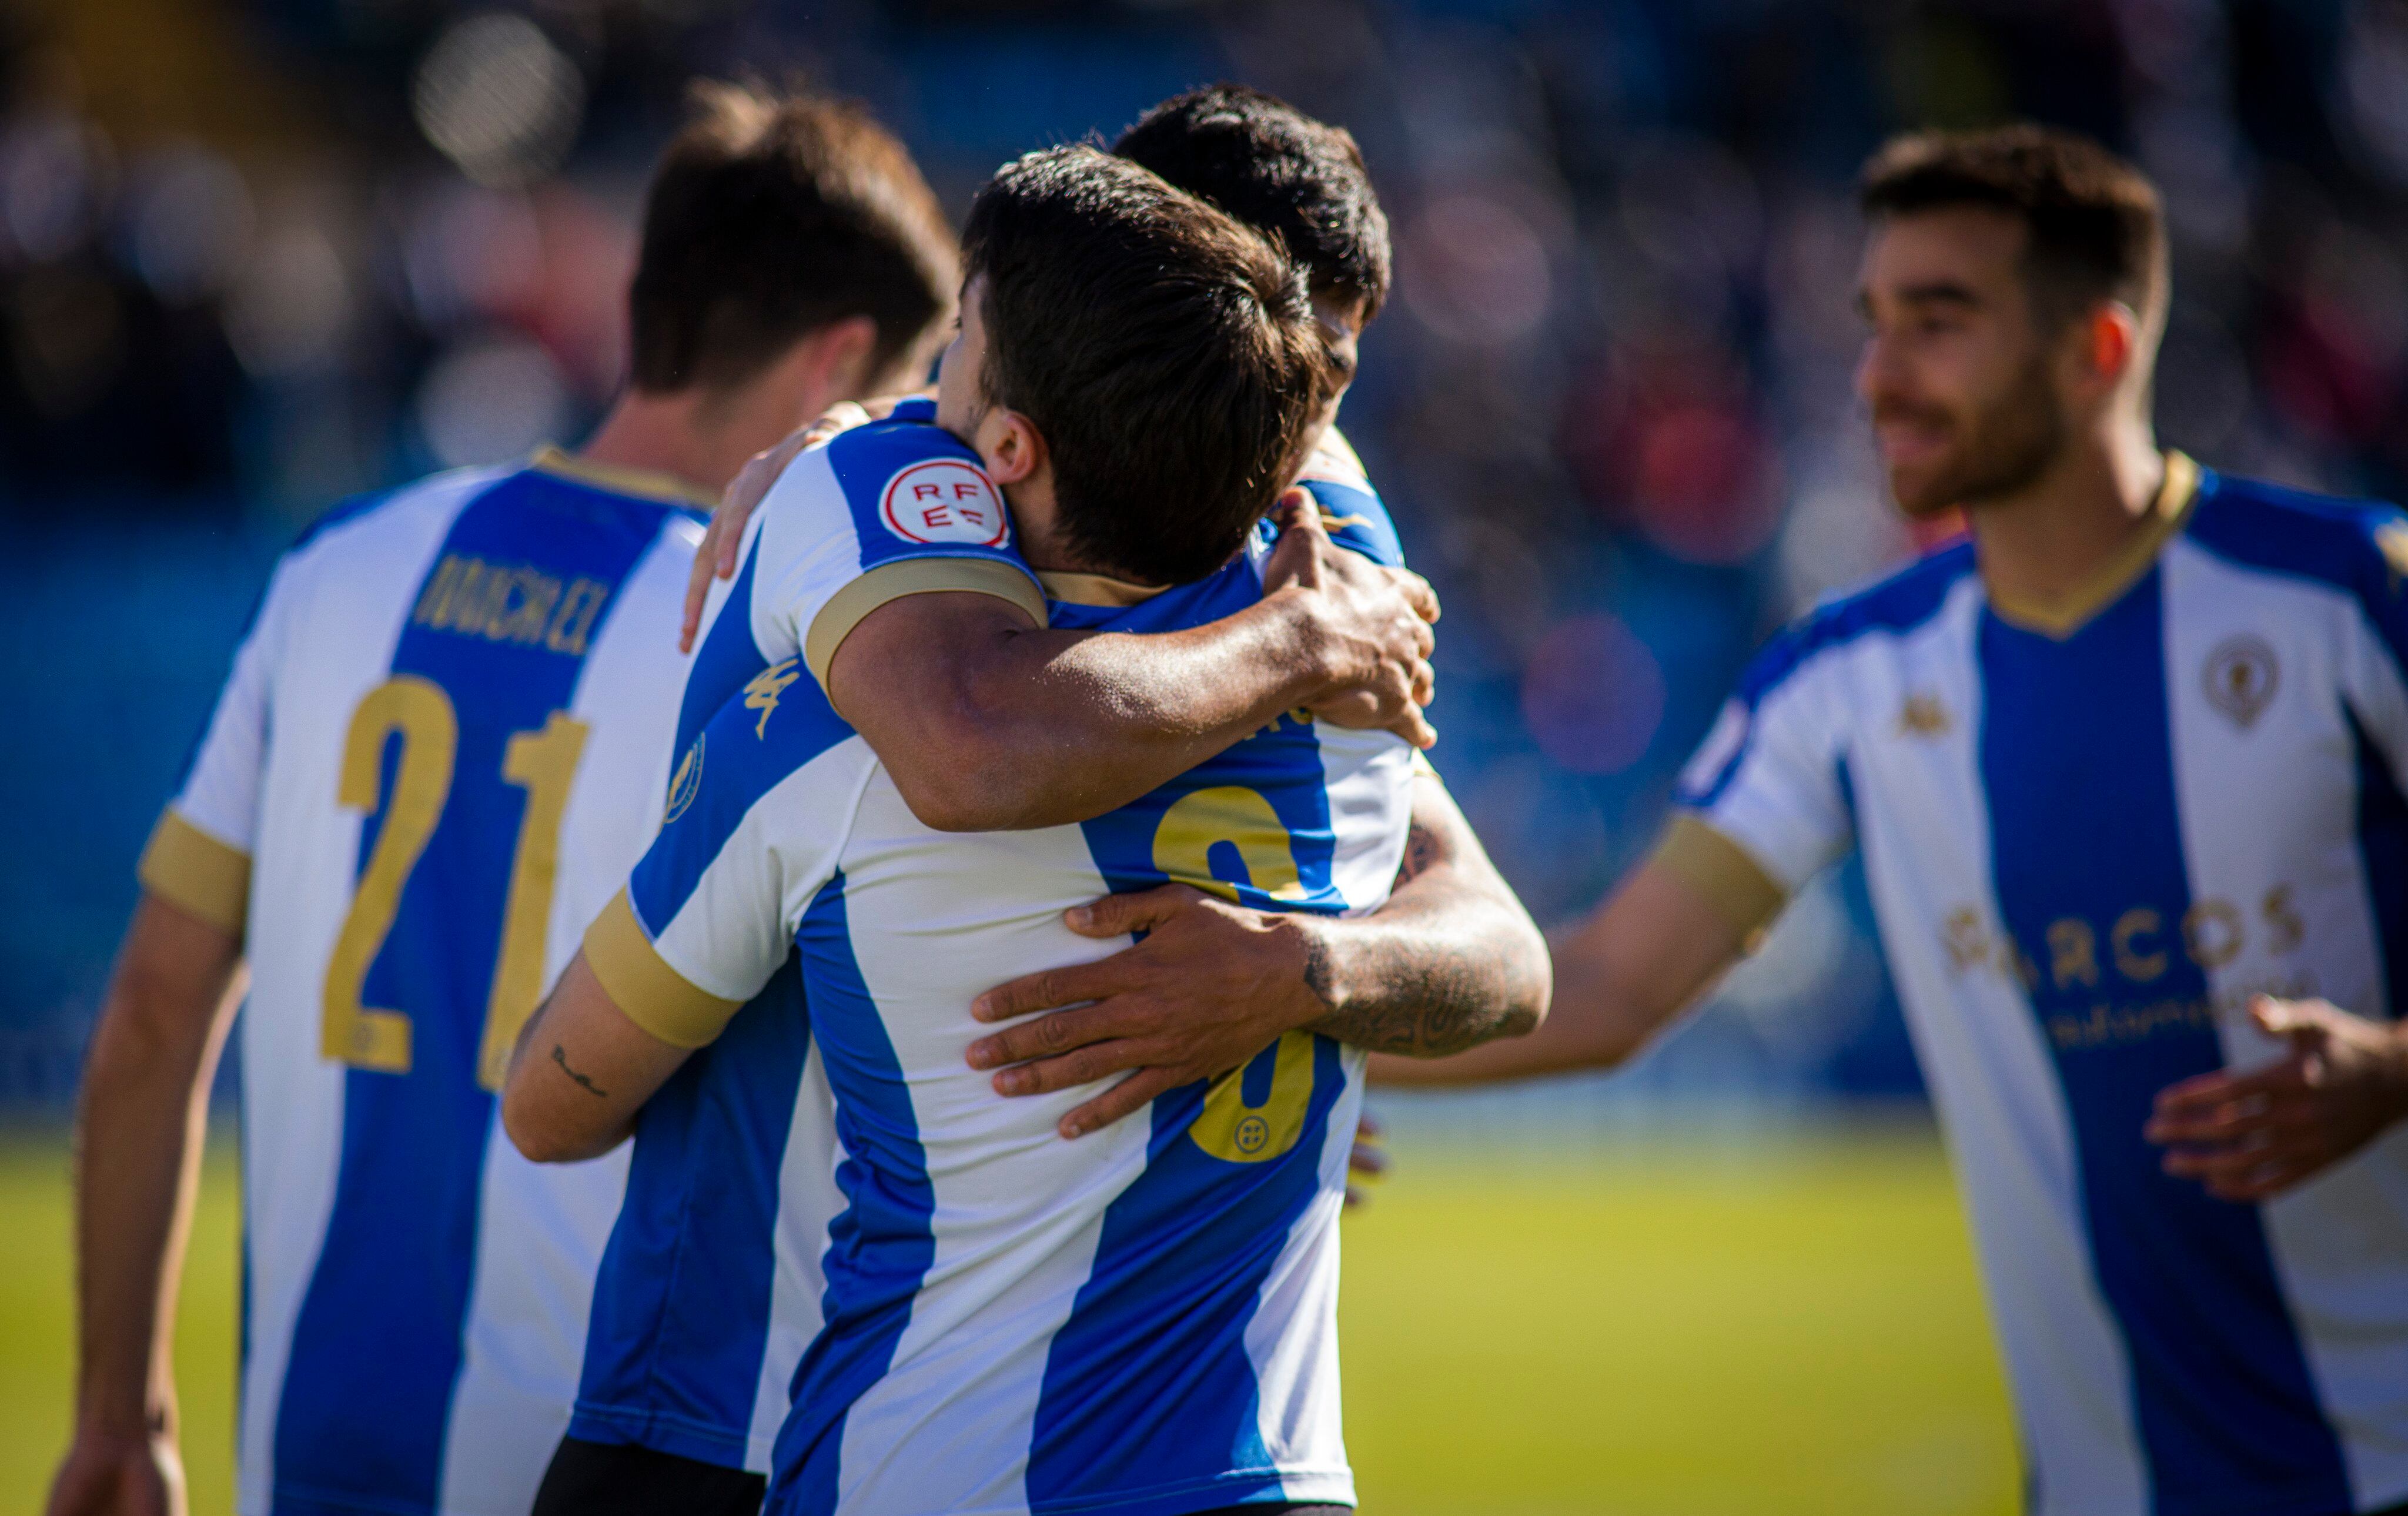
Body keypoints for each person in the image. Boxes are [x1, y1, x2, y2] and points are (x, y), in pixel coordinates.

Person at [45, 84, 1436, 1516]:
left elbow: (162, 1016)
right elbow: (1493, 943)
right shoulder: (975, 638)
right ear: (850, 357)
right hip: (808, 1411)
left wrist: (117, 1413)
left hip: (403, 1417)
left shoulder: (343, 570)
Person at [996, 123, 2408, 1516]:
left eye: (1939, 322)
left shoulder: (2355, 595)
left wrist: (2391, 1068)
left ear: (2095, 349)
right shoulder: (1845, 675)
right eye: (1871, 323)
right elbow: (1606, 989)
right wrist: (1291, 1034)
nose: (1877, 375)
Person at [504, 143, 1541, 1516]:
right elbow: (980, 743)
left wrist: (1304, 975)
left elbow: (549, 1102)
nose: (1310, 414)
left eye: (1334, 372)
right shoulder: (1337, 635)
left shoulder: (837, 730)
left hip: (846, 1429)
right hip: (1220, 1467)